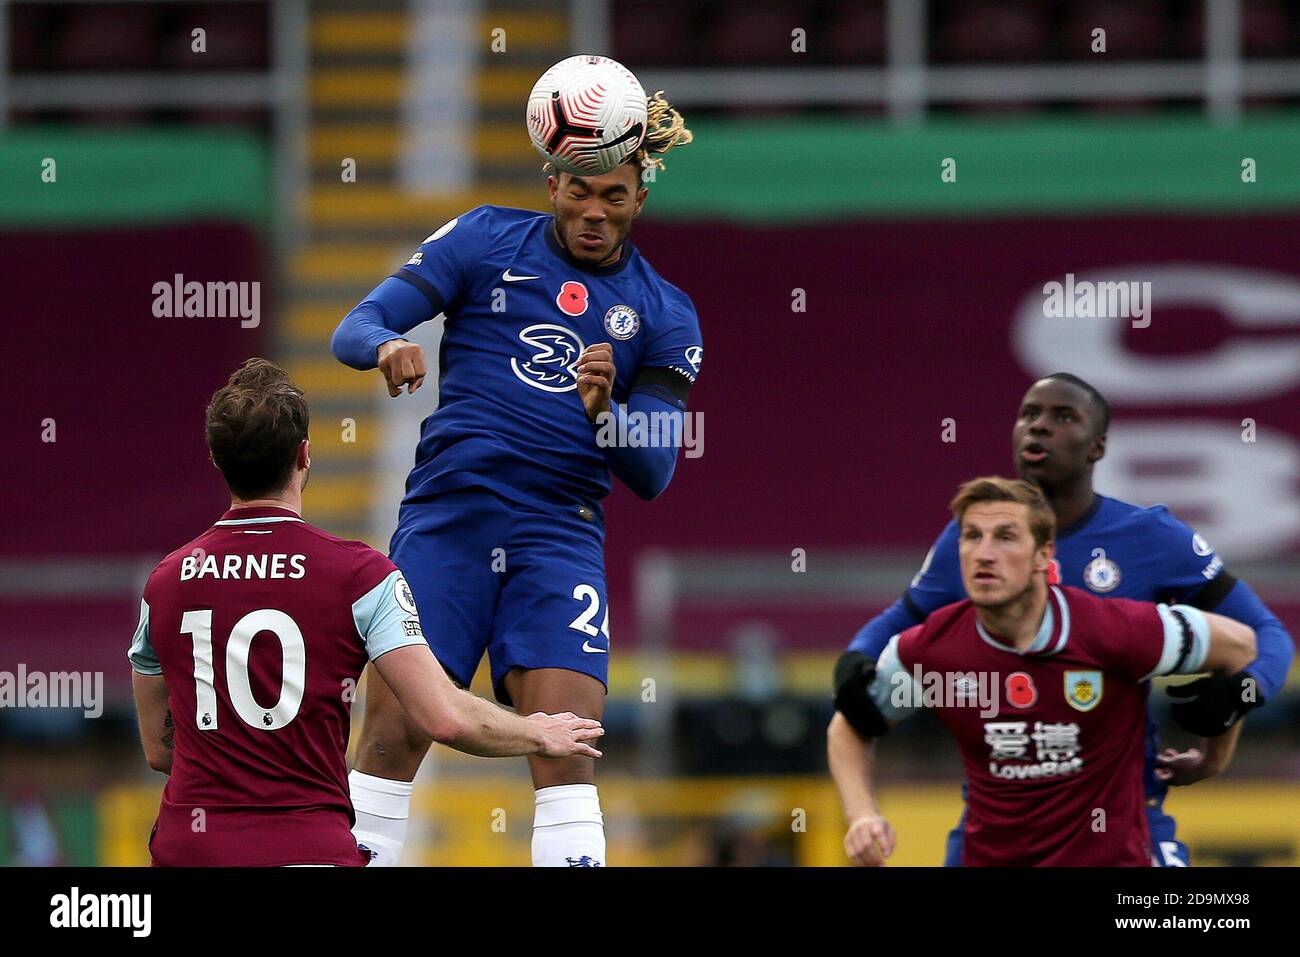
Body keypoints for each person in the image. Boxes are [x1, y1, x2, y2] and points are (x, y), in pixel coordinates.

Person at [330, 92, 699, 866]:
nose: (594, 210)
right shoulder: (483, 236)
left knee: (568, 750)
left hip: (559, 534)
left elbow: (656, 469)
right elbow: (355, 326)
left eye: (613, 195)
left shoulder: (665, 313)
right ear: (551, 181)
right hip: (449, 518)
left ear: (640, 196)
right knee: (393, 734)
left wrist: (608, 413)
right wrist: (387, 345)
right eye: (578, 189)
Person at [128, 359, 604, 866]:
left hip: (190, 850)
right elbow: (442, 715)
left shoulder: (167, 581)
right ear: (304, 455)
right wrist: (537, 730)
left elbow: (159, 750)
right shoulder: (361, 575)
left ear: (217, 461)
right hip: (308, 848)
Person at [839, 373, 1293, 866]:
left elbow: (1262, 637)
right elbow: (901, 622)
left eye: (1062, 417)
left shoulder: (1152, 539)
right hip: (1000, 824)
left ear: (1097, 446)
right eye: (1029, 415)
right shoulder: (971, 541)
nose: (1038, 428)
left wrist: (1242, 697)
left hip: (1121, 817)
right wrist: (857, 659)